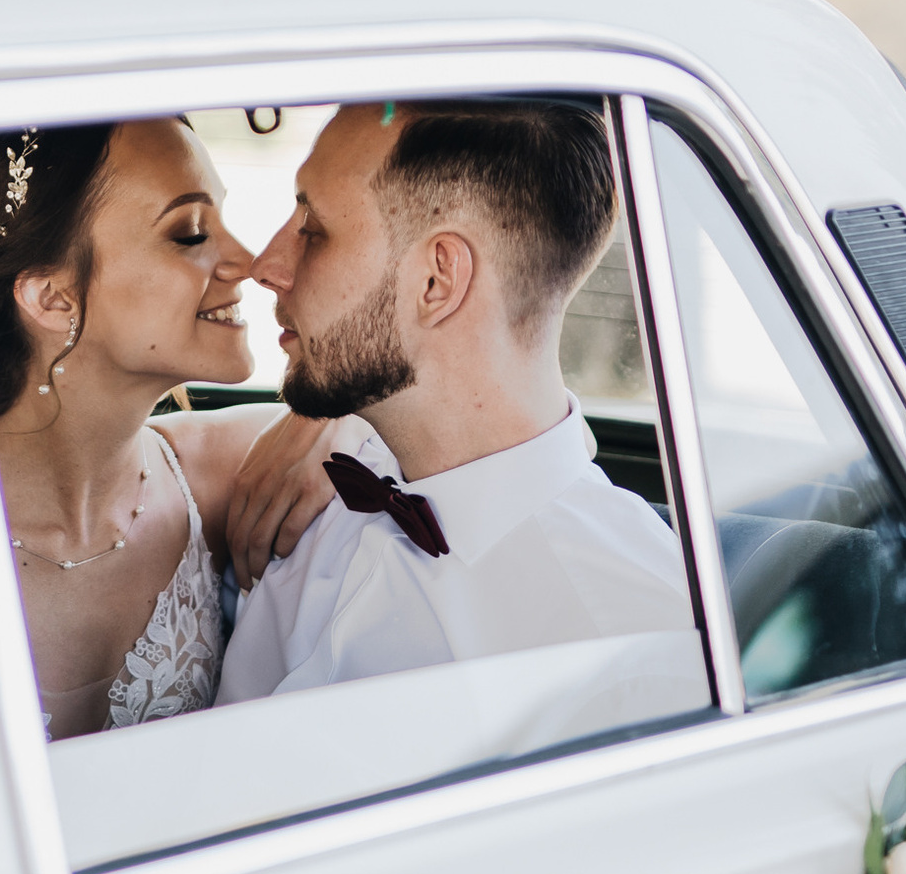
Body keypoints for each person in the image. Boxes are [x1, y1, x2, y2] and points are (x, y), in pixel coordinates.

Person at [214, 99, 691, 704]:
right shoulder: (313, 489)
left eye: (312, 230)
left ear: (436, 282)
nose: (266, 266)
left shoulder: (623, 642)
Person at [0, 118, 336, 739]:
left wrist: (322, 416)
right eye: (189, 233)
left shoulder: (229, 471)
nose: (251, 262)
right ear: (51, 297)